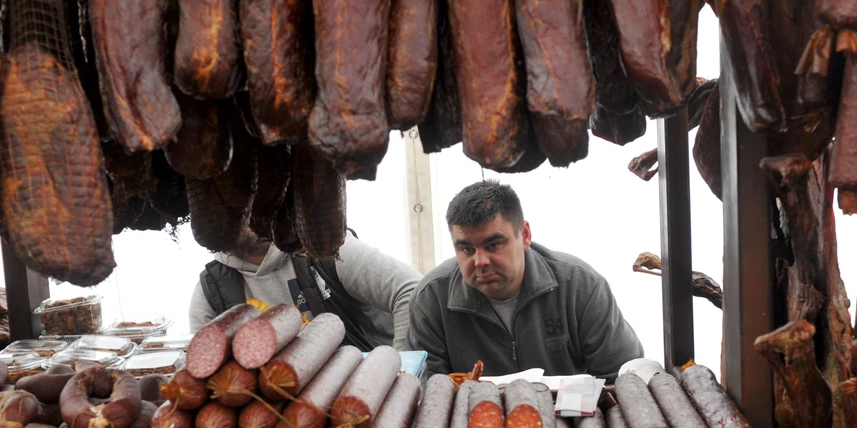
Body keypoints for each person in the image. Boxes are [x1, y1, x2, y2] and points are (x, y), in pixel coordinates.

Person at [407, 180, 643, 381]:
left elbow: (625, 376)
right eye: (467, 249)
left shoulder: (581, 287)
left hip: (572, 424)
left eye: (493, 245)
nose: (480, 261)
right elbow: (427, 397)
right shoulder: (430, 301)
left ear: (525, 235)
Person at [189, 228, 422, 351]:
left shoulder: (328, 250)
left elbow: (412, 291)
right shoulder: (211, 289)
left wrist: (401, 370)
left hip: (366, 395)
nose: (241, 215)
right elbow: (201, 362)